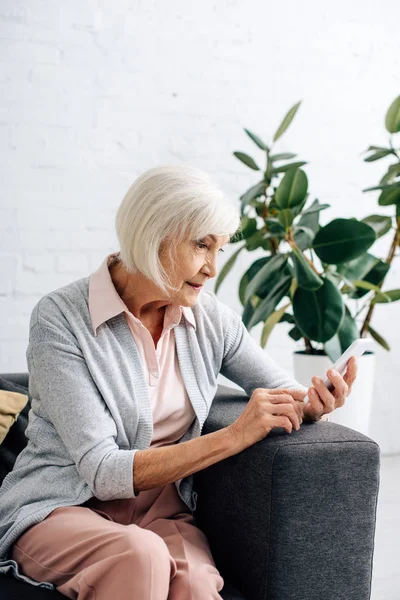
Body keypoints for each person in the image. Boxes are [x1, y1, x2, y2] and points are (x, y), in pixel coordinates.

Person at [0, 164, 357, 599]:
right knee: (141, 555)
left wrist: (313, 402)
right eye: (201, 246)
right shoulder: (60, 319)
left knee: (196, 583)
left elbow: (283, 390)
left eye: (219, 250)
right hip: (61, 508)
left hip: (161, 516)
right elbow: (101, 470)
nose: (211, 269)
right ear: (154, 235)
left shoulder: (211, 320)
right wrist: (234, 436)